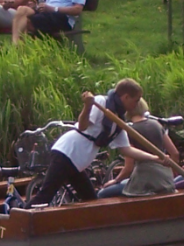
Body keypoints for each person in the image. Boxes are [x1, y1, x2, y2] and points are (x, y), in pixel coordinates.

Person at [24, 79, 164, 208]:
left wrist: (156, 158)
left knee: (90, 199)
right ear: (126, 97)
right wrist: (87, 106)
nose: (137, 104)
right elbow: (82, 126)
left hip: (78, 162)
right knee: (45, 196)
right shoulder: (101, 102)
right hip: (66, 152)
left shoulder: (118, 121)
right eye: (136, 100)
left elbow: (127, 150)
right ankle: (15, 222)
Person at [98, 99, 179, 198]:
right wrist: (170, 174)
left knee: (102, 194)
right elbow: (175, 153)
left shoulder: (129, 131)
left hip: (144, 182)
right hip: (165, 179)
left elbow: (129, 167)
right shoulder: (157, 125)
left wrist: (115, 180)